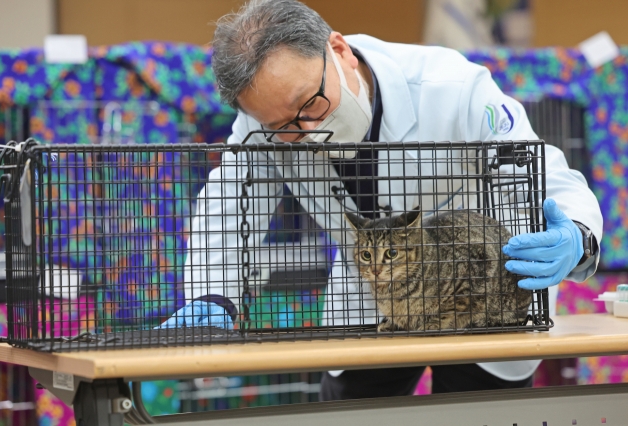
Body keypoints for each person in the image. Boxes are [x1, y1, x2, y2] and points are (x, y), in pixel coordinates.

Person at [161, 0, 602, 400]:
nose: (307, 132)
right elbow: (229, 205)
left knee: (477, 406)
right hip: (370, 300)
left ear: (339, 50)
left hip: (477, 293)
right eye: (286, 128)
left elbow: (540, 171)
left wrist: (577, 237)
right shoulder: (263, 121)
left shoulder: (452, 85)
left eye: (311, 104)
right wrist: (211, 297)